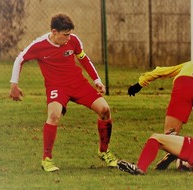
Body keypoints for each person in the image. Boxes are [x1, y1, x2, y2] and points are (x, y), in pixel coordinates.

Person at [9, 13, 118, 172]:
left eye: (70, 34)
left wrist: (97, 80)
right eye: (65, 35)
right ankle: (47, 159)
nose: (68, 38)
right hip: (56, 86)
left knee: (105, 110)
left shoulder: (73, 40)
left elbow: (83, 58)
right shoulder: (39, 45)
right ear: (54, 32)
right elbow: (20, 59)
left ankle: (104, 151)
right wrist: (14, 84)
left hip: (78, 83)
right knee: (54, 115)